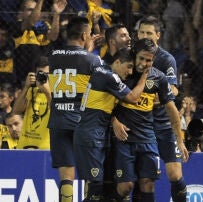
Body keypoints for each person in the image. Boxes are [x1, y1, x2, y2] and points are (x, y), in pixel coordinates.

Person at [111, 38, 189, 201]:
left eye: (149, 60)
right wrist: (114, 122)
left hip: (147, 137)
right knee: (126, 186)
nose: (144, 63)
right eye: (141, 59)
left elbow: (172, 110)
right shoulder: (122, 73)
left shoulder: (159, 78)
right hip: (124, 138)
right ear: (134, 55)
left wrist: (179, 141)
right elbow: (104, 103)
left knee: (148, 183)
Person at [73, 48, 150, 201]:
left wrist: (114, 121)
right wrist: (145, 75)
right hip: (91, 137)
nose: (129, 71)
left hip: (94, 135)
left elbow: (106, 106)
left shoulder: (101, 72)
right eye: (128, 66)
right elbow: (133, 98)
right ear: (116, 62)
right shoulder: (109, 76)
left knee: (101, 188)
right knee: (95, 188)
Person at [48, 16, 103, 202]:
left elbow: (72, 61)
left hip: (58, 121)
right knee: (90, 175)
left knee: (66, 179)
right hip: (83, 123)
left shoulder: (53, 57)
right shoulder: (93, 60)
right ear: (85, 35)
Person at [135, 15, 188, 202]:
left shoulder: (166, 59)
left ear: (157, 35)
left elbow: (173, 89)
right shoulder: (132, 56)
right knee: (146, 179)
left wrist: (153, 97)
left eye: (149, 33)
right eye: (141, 32)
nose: (144, 36)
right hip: (142, 125)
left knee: (174, 174)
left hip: (164, 124)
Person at [12, 56, 51, 149]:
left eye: (46, 74)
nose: (43, 77)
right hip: (25, 145)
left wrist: (47, 91)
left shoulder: (57, 92)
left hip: (45, 147)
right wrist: (25, 87)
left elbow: (59, 114)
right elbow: (16, 111)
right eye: (40, 74)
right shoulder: (31, 90)